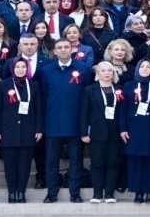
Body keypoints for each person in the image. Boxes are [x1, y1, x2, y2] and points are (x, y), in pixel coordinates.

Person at [40, 38, 92, 204]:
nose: (63, 50)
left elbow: (87, 97)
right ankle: (52, 192)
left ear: (72, 49)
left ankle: (74, 193)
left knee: (76, 159)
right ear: (54, 51)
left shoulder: (83, 69)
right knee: (51, 160)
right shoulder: (46, 70)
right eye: (59, 47)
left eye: (66, 47)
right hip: (52, 122)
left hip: (76, 122)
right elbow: (43, 97)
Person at [0, 58, 44, 204]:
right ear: (12, 68)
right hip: (8, 130)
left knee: (25, 165)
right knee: (10, 165)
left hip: (28, 130)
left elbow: (38, 109)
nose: (21, 69)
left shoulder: (34, 85)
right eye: (18, 67)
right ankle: (11, 192)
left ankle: (21, 192)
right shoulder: (3, 85)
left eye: (23, 67)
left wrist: (39, 128)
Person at [119, 58, 150, 204]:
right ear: (137, 69)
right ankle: (138, 192)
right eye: (142, 66)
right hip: (133, 129)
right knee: (135, 161)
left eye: (148, 67)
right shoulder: (128, 86)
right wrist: (122, 129)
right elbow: (122, 109)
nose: (145, 69)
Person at [80, 61, 124, 203]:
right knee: (97, 163)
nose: (106, 73)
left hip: (115, 131)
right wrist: (83, 133)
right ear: (98, 73)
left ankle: (110, 193)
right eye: (103, 70)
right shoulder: (89, 90)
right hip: (97, 131)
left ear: (113, 73)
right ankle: (97, 194)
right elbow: (84, 112)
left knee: (113, 162)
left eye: (109, 70)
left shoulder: (119, 89)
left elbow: (123, 113)